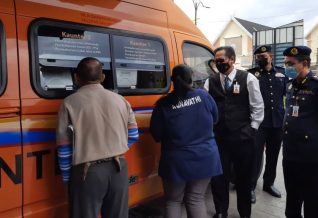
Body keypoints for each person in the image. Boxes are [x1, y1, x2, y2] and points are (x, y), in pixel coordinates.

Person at [56, 57, 139, 218]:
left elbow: (64, 148)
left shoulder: (69, 103)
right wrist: (115, 149)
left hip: (87, 173)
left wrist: (68, 179)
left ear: (76, 77)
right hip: (118, 169)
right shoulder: (121, 100)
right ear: (102, 78)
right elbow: (134, 135)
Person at [150, 64, 222, 218]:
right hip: (205, 156)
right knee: (195, 198)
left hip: (176, 160)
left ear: (172, 80)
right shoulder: (204, 96)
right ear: (192, 78)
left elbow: (156, 134)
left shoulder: (163, 104)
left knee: (173, 201)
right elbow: (216, 119)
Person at [204, 46, 264, 218]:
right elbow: (208, 109)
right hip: (220, 138)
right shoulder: (212, 81)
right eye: (216, 60)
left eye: (221, 60)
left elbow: (257, 106)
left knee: (243, 178)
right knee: (218, 177)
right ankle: (221, 210)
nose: (218, 63)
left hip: (243, 138)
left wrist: (252, 129)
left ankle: (244, 213)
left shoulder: (248, 78)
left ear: (232, 59)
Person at [282, 46, 318, 218]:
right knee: (292, 199)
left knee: (312, 200)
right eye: (286, 63)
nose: (288, 67)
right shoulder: (290, 85)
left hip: (311, 155)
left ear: (305, 63)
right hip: (290, 152)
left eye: (291, 64)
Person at [248, 45, 287, 203]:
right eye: (258, 57)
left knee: (273, 155)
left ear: (271, 56)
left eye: (263, 56)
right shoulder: (251, 74)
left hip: (277, 122)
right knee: (255, 156)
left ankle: (268, 184)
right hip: (259, 123)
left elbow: (286, 95)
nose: (260, 59)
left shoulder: (281, 73)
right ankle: (250, 187)